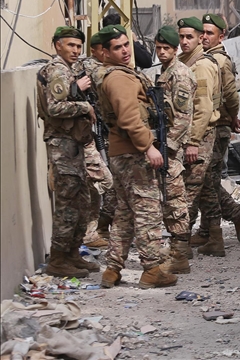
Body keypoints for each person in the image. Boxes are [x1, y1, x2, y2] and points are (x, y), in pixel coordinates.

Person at [96, 24, 177, 289]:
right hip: (133, 153)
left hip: (123, 152)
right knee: (147, 211)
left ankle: (112, 268)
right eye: (117, 47)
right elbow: (129, 118)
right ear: (105, 52)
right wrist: (148, 147)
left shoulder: (118, 74)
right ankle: (152, 270)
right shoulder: (119, 78)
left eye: (126, 45)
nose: (124, 51)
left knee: (124, 212)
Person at [36, 26, 99, 278]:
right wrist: (84, 107)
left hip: (73, 143)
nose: (75, 50)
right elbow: (55, 108)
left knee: (81, 200)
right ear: (57, 45)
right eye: (70, 45)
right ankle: (58, 258)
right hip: (61, 144)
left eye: (78, 46)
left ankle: (72, 253)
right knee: (67, 202)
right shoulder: (57, 70)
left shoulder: (69, 70)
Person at [193, 13, 240, 256]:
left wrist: (232, 116)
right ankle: (207, 229)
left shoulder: (219, 61)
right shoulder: (205, 58)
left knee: (206, 180)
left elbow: (230, 94)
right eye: (203, 32)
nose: (205, 37)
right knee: (208, 179)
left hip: (217, 127)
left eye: (210, 33)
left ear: (221, 36)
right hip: (215, 126)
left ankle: (235, 213)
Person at [151, 25, 197, 274]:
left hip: (171, 149)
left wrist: (166, 148)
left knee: (175, 201)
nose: (161, 52)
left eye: (166, 48)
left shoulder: (179, 74)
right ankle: (176, 250)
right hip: (164, 145)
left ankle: (180, 254)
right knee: (169, 199)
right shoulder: (165, 72)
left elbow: (182, 117)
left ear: (175, 49)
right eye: (158, 48)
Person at [177, 17, 223, 257]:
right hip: (194, 136)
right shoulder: (186, 62)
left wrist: (193, 141)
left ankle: (180, 246)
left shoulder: (201, 66)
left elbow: (203, 109)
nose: (184, 41)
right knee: (205, 189)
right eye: (181, 37)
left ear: (199, 38)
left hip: (200, 136)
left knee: (189, 191)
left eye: (190, 37)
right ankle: (215, 238)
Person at [73, 32, 116, 249]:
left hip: (92, 134)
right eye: (104, 50)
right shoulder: (92, 68)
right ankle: (89, 230)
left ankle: (91, 232)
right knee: (104, 181)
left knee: (96, 185)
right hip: (82, 137)